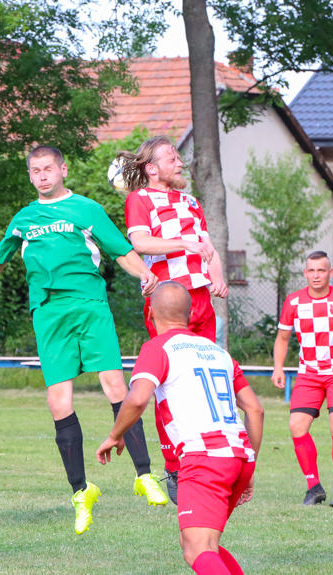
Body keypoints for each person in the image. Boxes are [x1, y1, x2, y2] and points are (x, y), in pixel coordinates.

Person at [0, 145, 164, 535]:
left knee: (116, 384)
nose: (42, 175)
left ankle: (144, 474)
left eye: (48, 168)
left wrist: (143, 274)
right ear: (31, 176)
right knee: (57, 401)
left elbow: (123, 251)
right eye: (35, 171)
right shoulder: (24, 219)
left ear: (63, 170)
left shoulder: (87, 209)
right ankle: (81, 492)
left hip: (88, 303)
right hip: (47, 312)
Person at [97, 281, 263, 575]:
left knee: (198, 548)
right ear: (190, 314)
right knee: (196, 545)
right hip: (238, 458)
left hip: (204, 459)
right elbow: (255, 409)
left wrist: (115, 435)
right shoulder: (218, 352)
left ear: (150, 313)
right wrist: (249, 463)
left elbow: (136, 400)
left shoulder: (157, 348)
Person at [119, 135, 228, 503]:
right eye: (171, 158)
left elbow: (207, 247)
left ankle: (211, 460)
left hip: (200, 299)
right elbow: (141, 244)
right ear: (152, 169)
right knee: (167, 385)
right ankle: (174, 467)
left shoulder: (191, 202)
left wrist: (218, 276)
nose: (179, 162)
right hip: (166, 301)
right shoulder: (140, 200)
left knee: (207, 381)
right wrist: (186, 244)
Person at [271, 251, 333, 507]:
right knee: (297, 426)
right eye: (311, 271)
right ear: (305, 274)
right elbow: (283, 338)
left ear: (331, 273)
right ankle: (314, 488)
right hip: (308, 374)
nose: (316, 275)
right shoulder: (293, 302)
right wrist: (278, 367)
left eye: (321, 270)